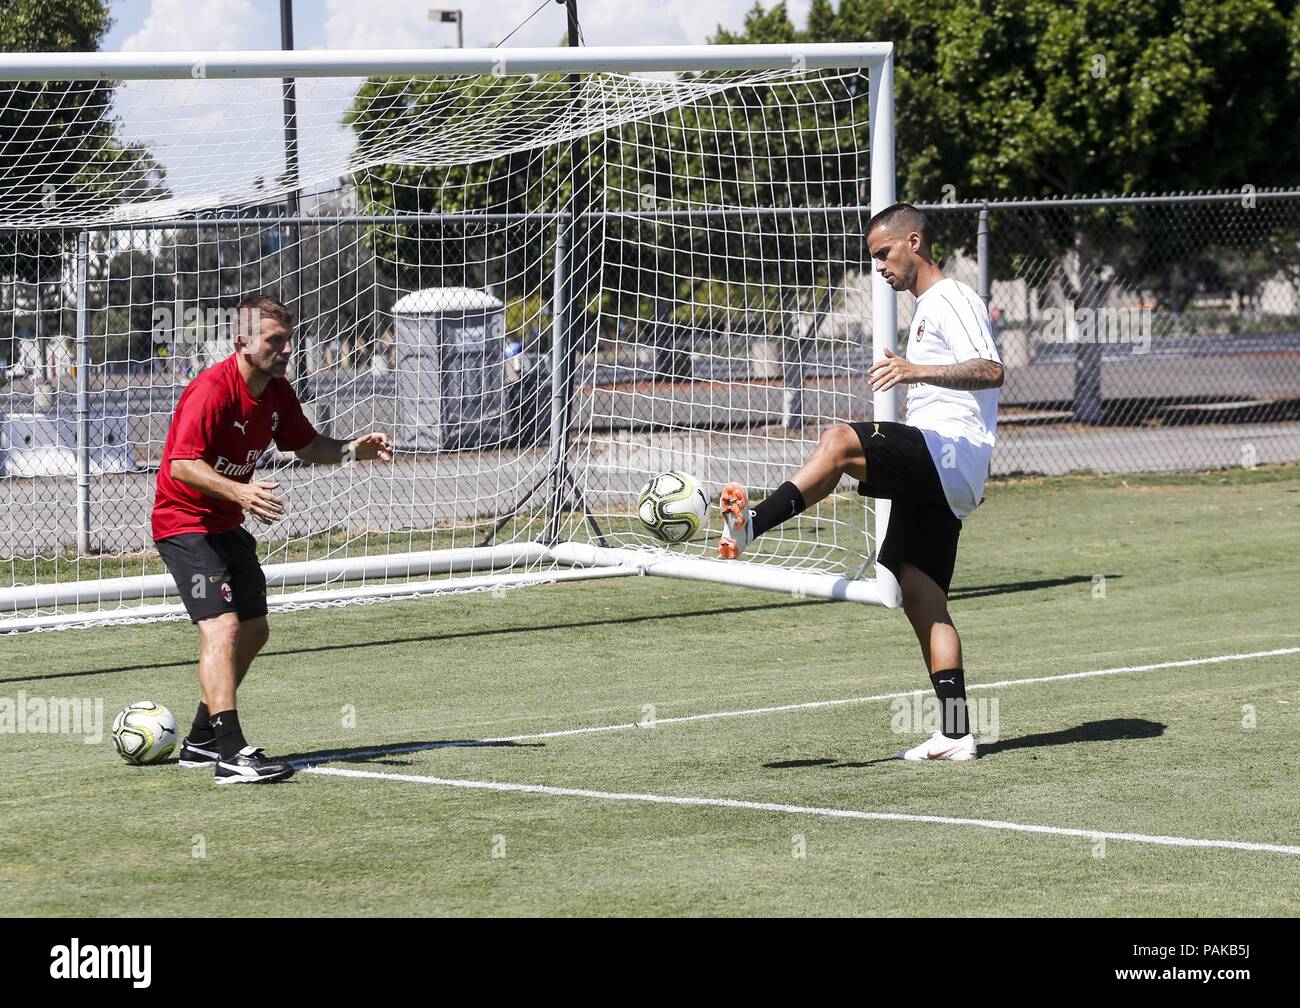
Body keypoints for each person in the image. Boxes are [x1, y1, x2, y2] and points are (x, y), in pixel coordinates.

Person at [718, 203, 1004, 761]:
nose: (878, 267)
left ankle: (752, 524)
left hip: (950, 454)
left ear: (914, 242)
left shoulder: (952, 298)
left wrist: (915, 371)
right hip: (946, 472)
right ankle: (955, 732)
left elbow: (991, 370)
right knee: (922, 597)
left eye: (883, 254)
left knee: (840, 441)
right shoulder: (924, 308)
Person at [151, 295, 393, 783]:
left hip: (224, 525)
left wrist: (353, 452)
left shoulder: (279, 392)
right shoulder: (211, 390)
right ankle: (231, 754)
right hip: (183, 524)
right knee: (222, 629)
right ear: (241, 341)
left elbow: (307, 447)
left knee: (256, 629)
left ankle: (200, 740)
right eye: (274, 341)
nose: (285, 350)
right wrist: (241, 489)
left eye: (288, 341)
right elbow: (181, 464)